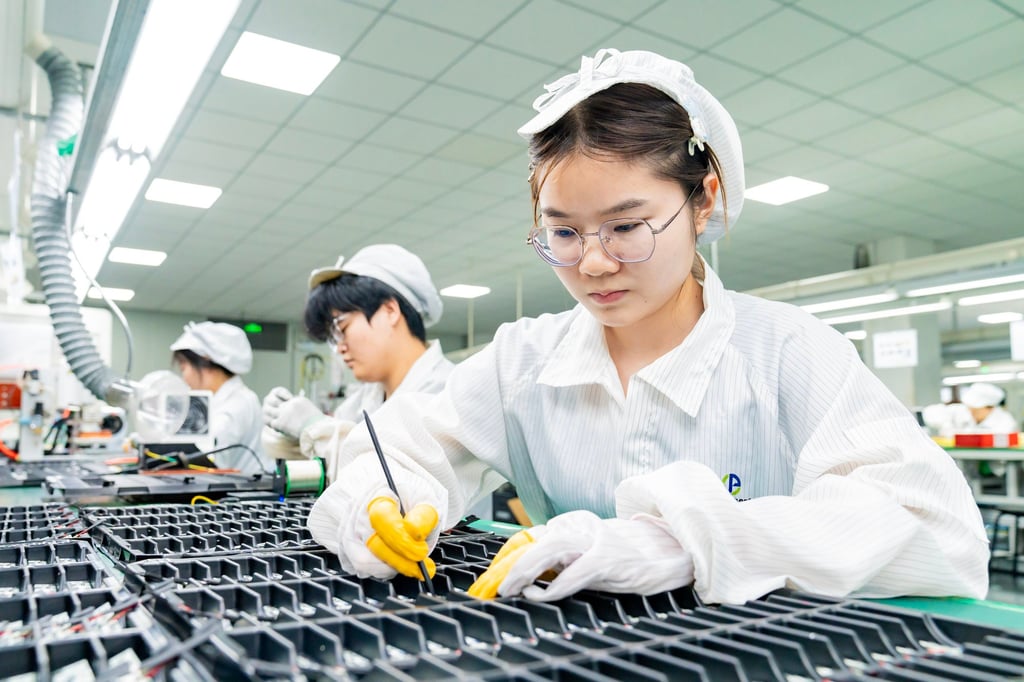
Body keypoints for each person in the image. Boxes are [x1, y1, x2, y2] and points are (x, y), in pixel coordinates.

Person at [306, 49, 989, 605]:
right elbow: (394, 450)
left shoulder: (787, 351)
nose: (594, 262)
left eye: (627, 227)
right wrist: (379, 503)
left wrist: (687, 539)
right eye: (563, 233)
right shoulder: (524, 361)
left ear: (704, 201)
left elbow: (936, 531)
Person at [262, 244, 455, 482]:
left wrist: (315, 427)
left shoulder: (448, 391)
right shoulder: (359, 404)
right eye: (333, 338)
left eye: (342, 328)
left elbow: (396, 482)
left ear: (389, 310)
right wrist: (292, 439)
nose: (340, 348)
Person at [170, 321, 269, 475]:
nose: (184, 378)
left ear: (205, 360)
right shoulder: (223, 400)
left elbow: (208, 463)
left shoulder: (236, 404)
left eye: (184, 368)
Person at [922, 382, 1019, 437]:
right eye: (970, 407)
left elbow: (998, 437)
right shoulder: (962, 410)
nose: (971, 411)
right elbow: (929, 413)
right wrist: (945, 425)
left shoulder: (1006, 421)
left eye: (975, 409)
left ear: (990, 407)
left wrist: (956, 433)